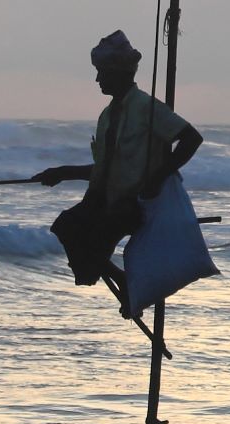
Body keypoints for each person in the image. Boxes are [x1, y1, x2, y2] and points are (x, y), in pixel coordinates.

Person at [36, 30, 203, 295]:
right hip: (104, 199)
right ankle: (120, 280)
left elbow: (191, 138)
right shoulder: (107, 116)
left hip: (134, 203)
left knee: (94, 242)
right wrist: (63, 173)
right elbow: (106, 170)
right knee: (65, 226)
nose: (97, 79)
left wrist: (157, 178)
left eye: (102, 72)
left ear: (120, 73)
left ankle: (122, 284)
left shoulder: (146, 107)